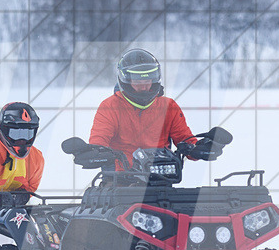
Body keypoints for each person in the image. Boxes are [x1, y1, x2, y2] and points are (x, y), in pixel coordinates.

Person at [88, 48, 221, 170]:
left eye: (148, 80)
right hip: (120, 180)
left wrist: (200, 149)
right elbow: (99, 140)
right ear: (125, 80)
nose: (144, 86)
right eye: (138, 82)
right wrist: (94, 153)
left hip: (160, 178)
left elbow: (185, 140)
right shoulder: (110, 107)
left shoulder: (169, 107)